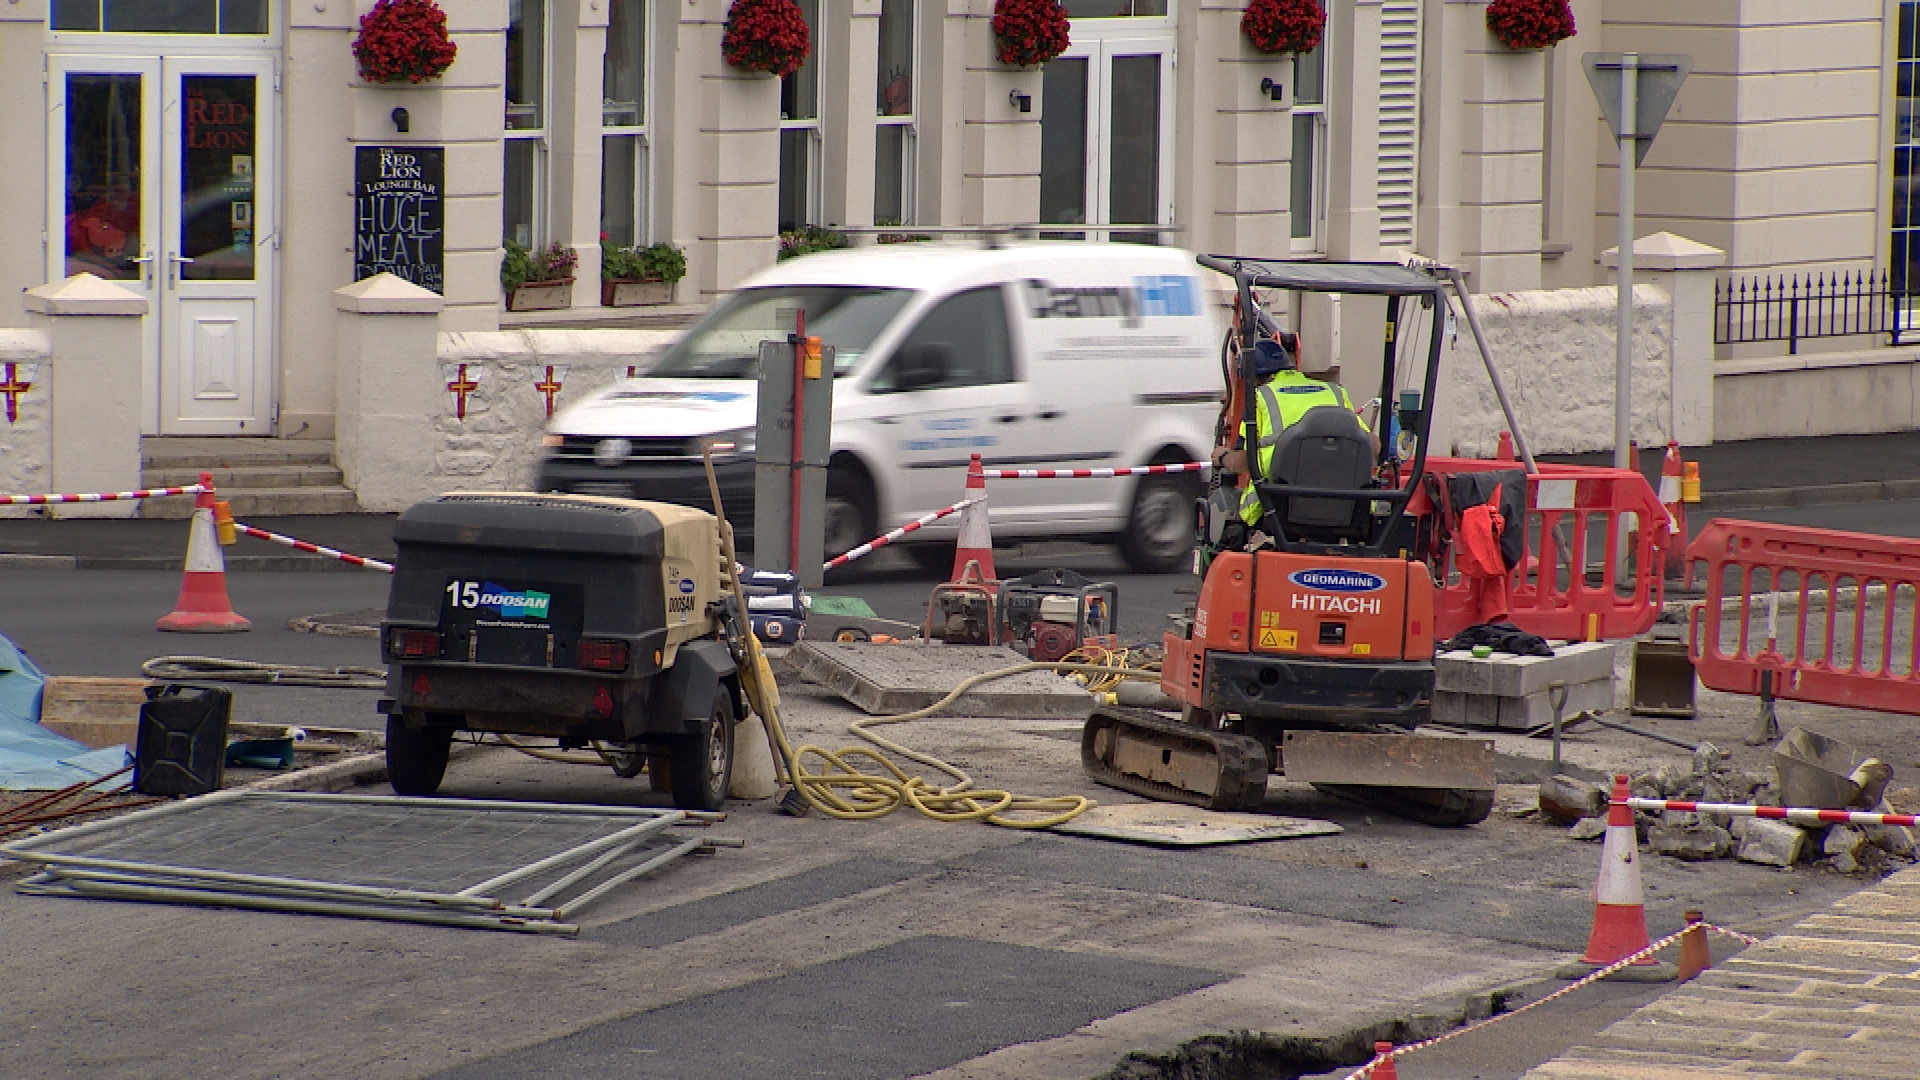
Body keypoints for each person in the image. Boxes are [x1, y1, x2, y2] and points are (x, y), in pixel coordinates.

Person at [1209, 337, 1374, 530]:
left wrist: (1222, 457)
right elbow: (1374, 445)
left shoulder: (1260, 398)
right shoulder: (1334, 392)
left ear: (1253, 378)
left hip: (1279, 511)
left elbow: (1242, 463)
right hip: (1347, 509)